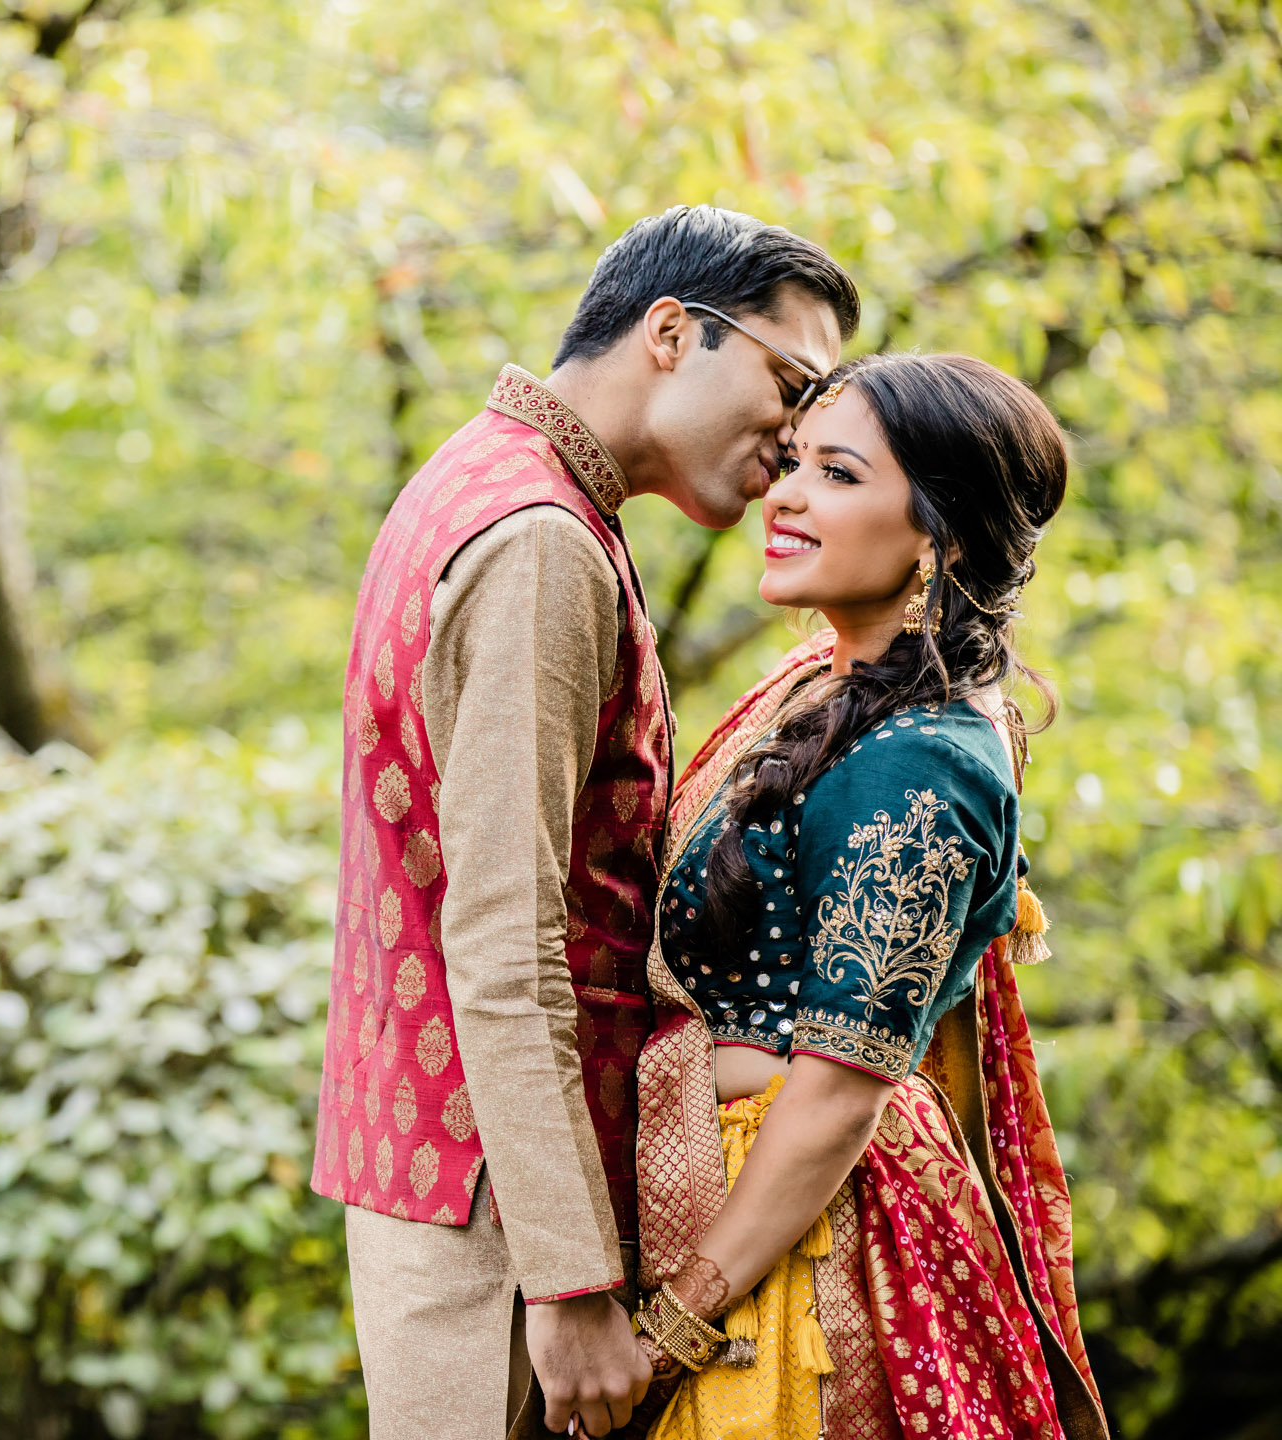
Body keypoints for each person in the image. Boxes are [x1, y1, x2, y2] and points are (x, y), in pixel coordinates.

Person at [309, 205, 856, 1440]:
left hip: (449, 1176)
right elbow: (503, 939)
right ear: (672, 331)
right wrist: (568, 1284)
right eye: (791, 381)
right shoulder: (542, 543)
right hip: (503, 1226)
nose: (800, 434)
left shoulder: (476, 477)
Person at [631, 353, 1110, 1440]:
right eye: (792, 462)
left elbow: (840, 1091)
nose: (785, 494)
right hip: (745, 1203)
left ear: (938, 533)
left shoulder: (926, 763)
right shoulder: (833, 689)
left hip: (811, 1257)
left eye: (837, 474)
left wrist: (675, 1330)